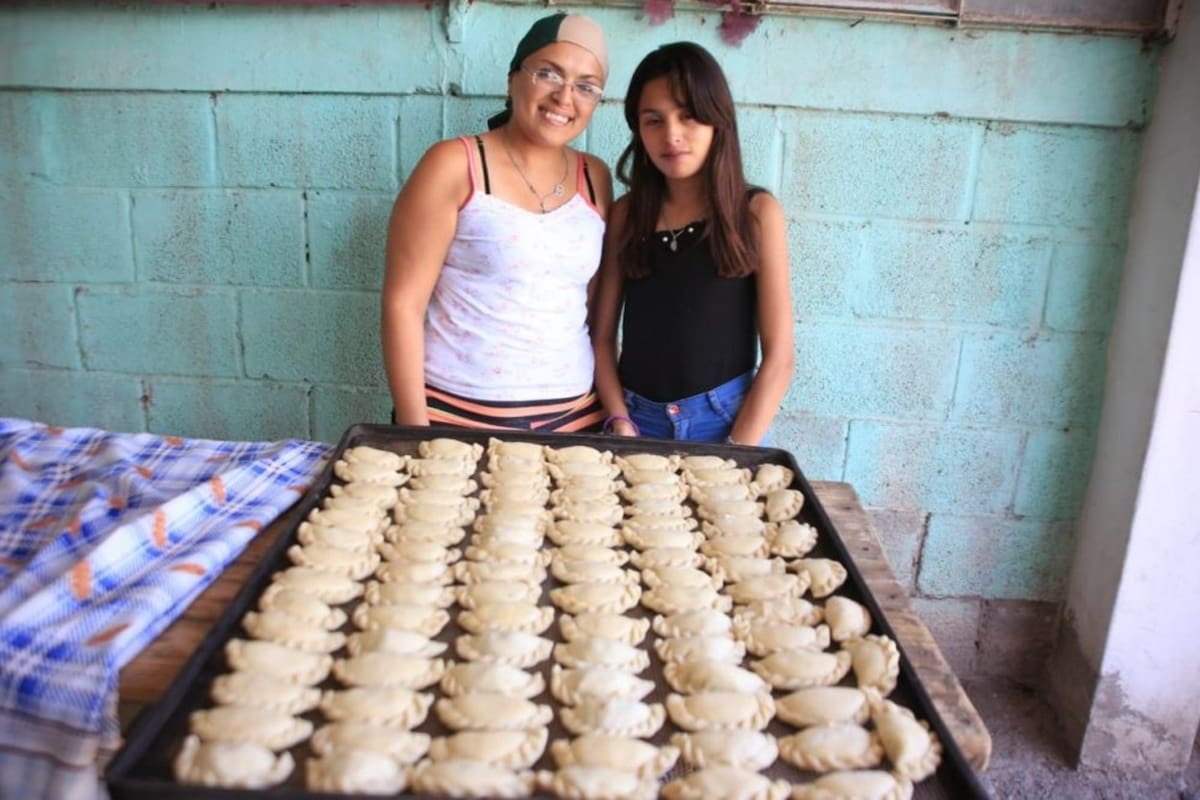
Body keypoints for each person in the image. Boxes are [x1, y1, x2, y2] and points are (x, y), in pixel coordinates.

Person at [381, 13, 613, 432]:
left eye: (586, 86)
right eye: (548, 73)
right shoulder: (453, 164)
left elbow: (588, 308)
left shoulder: (595, 178)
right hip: (454, 419)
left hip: (575, 422)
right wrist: (416, 433)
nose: (565, 97)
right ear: (512, 80)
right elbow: (402, 305)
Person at [591, 41, 795, 446]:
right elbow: (600, 337)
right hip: (634, 421)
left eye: (689, 117)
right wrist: (619, 420)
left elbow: (780, 358)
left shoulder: (756, 214)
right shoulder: (627, 214)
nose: (672, 135)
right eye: (654, 120)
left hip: (725, 422)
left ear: (717, 120)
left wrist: (737, 450)